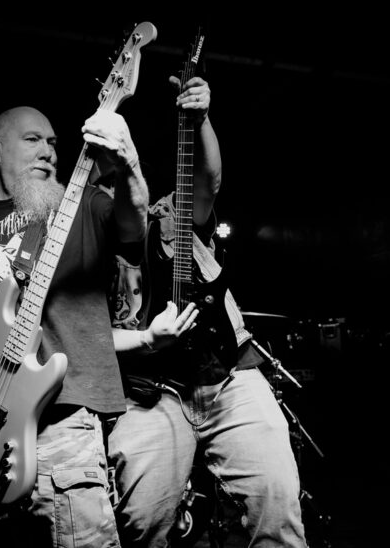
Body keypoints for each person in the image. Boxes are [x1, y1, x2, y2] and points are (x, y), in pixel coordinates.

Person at [0, 104, 151, 547]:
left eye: (52, 142)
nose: (48, 151)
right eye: (32, 139)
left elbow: (134, 226)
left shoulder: (82, 204)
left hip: (61, 419)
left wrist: (128, 162)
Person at [107, 76, 309, 547]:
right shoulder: (89, 246)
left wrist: (199, 122)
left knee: (276, 504)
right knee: (140, 523)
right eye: (107, 182)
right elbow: (85, 338)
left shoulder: (170, 214)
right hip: (151, 394)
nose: (117, 190)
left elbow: (207, 183)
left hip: (228, 378)